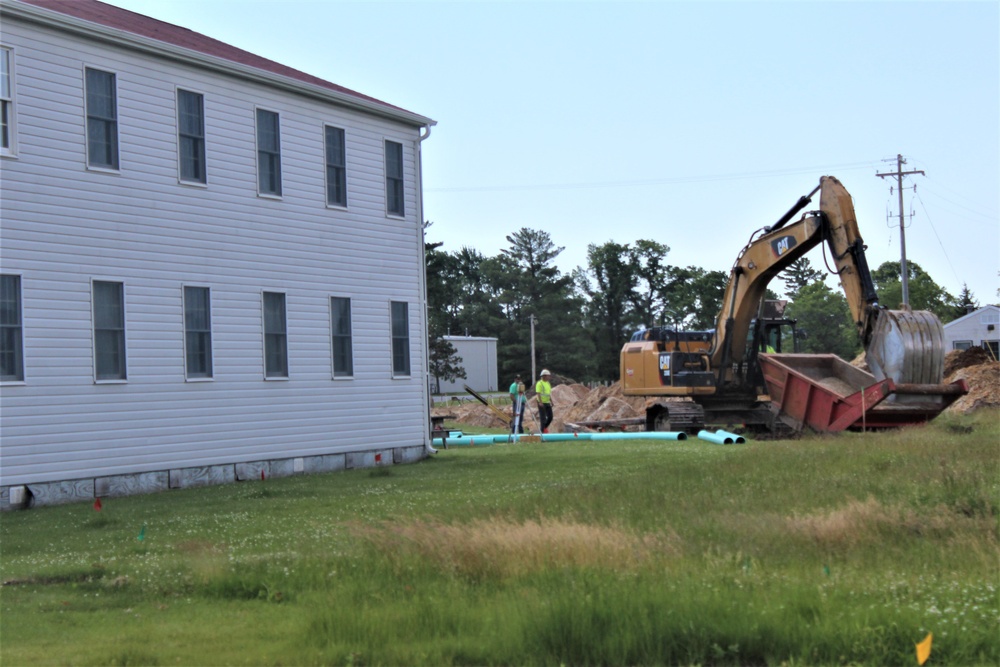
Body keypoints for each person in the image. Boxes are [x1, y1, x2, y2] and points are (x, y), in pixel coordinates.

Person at [535, 369, 553, 433]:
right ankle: (542, 432)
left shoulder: (548, 383)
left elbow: (548, 393)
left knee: (550, 417)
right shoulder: (539, 383)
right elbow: (538, 393)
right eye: (548, 376)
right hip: (542, 403)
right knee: (543, 418)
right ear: (544, 376)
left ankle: (543, 428)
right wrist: (540, 402)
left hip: (547, 402)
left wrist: (551, 401)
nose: (549, 377)